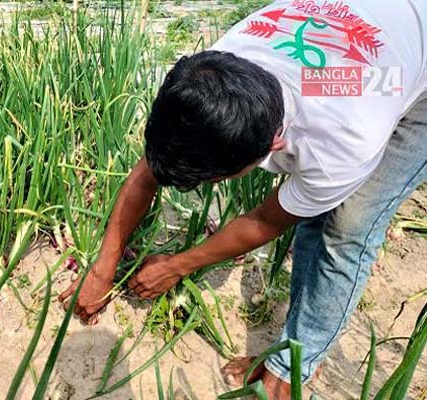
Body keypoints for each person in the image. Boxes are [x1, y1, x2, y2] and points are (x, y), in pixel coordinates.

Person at [57, 0, 427, 398]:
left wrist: (177, 266)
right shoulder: (215, 78)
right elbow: (146, 173)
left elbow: (266, 220)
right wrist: (102, 269)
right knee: (316, 208)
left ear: (273, 146)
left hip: (408, 63)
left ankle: (289, 368)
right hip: (369, 27)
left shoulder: (344, 138)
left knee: (345, 229)